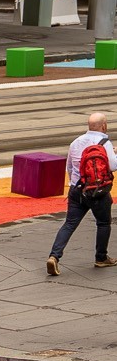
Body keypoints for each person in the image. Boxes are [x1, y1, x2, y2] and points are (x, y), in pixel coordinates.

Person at [46, 112, 117, 275]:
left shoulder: (75, 142)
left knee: (69, 224)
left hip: (77, 190)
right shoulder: (105, 142)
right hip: (97, 192)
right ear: (104, 126)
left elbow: (70, 168)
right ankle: (101, 258)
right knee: (103, 223)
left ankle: (54, 256)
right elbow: (113, 166)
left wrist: (75, 185)